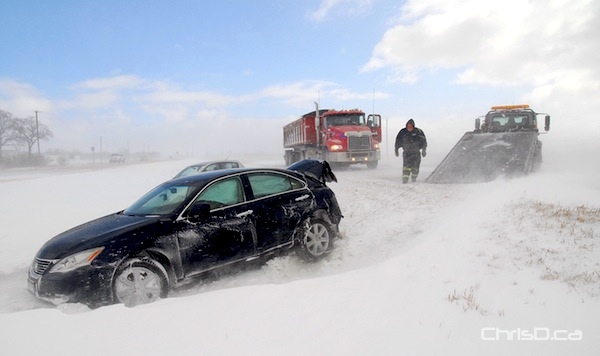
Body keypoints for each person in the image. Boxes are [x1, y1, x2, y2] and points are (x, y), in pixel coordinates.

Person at [394, 118, 427, 183]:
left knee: (415, 167)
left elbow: (424, 141)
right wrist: (396, 150)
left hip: (416, 153)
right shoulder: (403, 132)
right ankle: (405, 179)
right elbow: (397, 141)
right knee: (406, 166)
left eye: (411, 126)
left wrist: (424, 150)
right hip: (407, 153)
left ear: (413, 126)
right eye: (408, 126)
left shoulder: (418, 132)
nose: (409, 128)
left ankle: (414, 177)